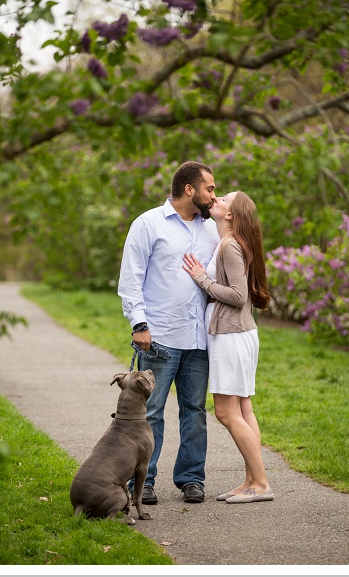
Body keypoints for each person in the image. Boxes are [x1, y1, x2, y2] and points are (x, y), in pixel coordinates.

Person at [118, 160, 219, 504]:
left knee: (195, 411)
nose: (213, 196)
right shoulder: (148, 224)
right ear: (190, 189)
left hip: (198, 338)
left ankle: (191, 478)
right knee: (152, 412)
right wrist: (139, 324)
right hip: (158, 336)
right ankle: (141, 482)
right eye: (210, 189)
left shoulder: (211, 229)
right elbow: (130, 278)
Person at [181, 191, 274, 504]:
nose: (216, 198)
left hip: (232, 336)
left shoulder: (231, 245)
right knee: (243, 409)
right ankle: (251, 480)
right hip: (238, 334)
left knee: (226, 411)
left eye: (223, 199)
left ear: (231, 214)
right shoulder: (229, 242)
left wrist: (201, 279)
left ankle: (260, 483)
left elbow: (237, 295)